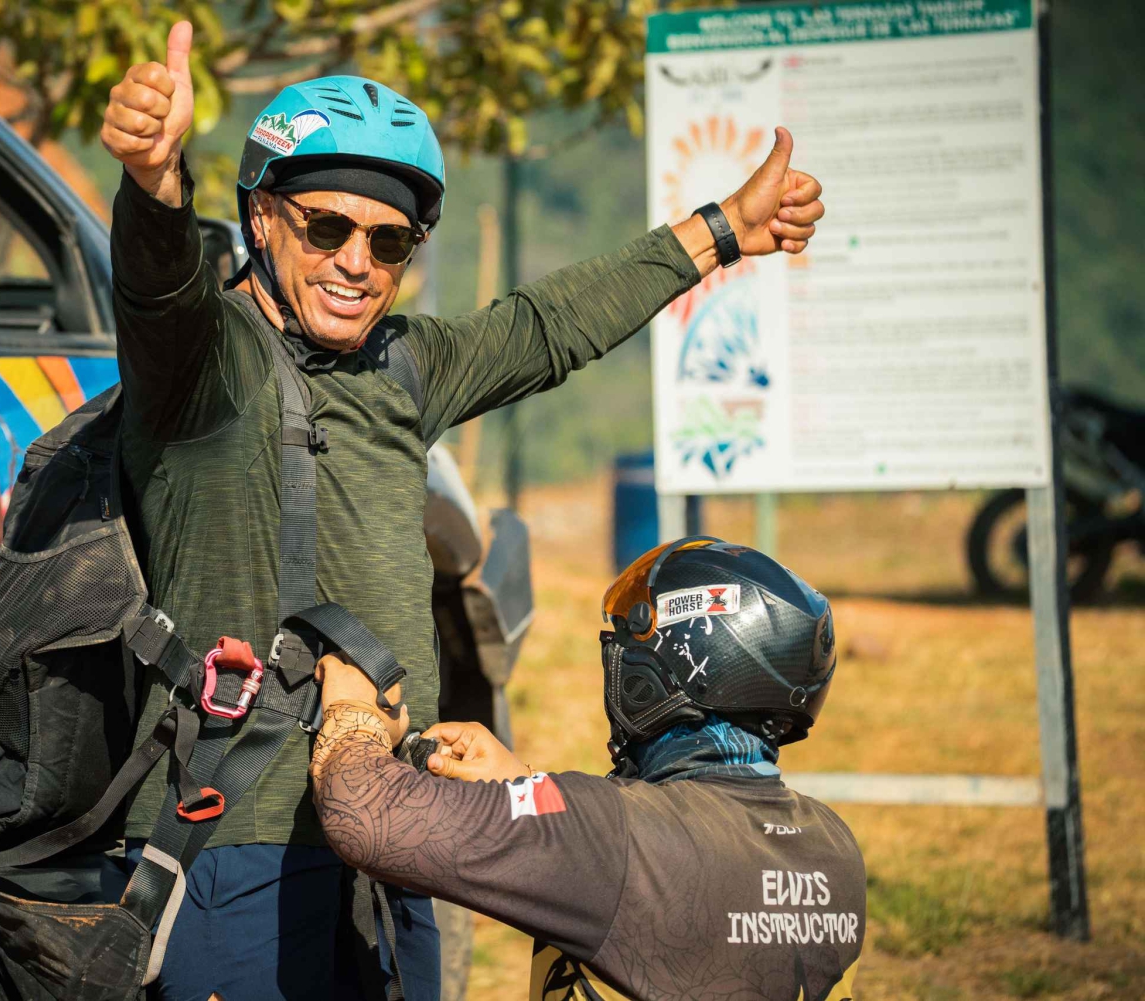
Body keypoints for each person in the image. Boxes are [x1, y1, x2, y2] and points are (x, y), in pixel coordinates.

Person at [99, 16, 825, 998]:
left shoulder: (406, 363)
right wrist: (155, 185)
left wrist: (723, 230)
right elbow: (158, 288)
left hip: (402, 832)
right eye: (328, 226)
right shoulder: (203, 365)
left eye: (388, 240)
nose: (358, 261)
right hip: (238, 837)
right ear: (261, 216)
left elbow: (550, 324)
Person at [310, 539, 864, 1001]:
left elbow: (363, 811)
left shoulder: (609, 834)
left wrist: (353, 710)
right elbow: (653, 863)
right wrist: (525, 786)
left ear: (662, 678)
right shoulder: (835, 851)